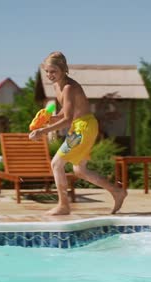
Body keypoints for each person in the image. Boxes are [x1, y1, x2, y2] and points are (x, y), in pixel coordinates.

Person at [29, 51, 127, 215]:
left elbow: (67, 119)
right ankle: (117, 192)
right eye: (47, 71)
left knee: (56, 164)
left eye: (53, 71)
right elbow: (64, 115)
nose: (49, 75)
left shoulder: (68, 88)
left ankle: (64, 205)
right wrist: (47, 120)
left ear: (63, 69)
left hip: (83, 128)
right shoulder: (57, 86)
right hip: (80, 127)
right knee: (80, 170)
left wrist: (43, 131)